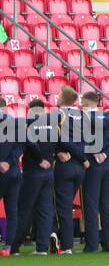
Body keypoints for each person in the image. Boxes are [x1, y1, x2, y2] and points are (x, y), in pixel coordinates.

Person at [7, 99, 58, 256]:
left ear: (30, 110)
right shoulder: (52, 125)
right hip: (49, 173)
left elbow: (29, 142)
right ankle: (42, 248)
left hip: (32, 173)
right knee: (45, 210)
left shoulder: (30, 125)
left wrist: (38, 159)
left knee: (24, 210)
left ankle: (14, 247)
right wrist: (50, 159)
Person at [78, 90, 109, 254]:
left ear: (86, 103)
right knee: (107, 205)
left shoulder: (82, 118)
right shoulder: (108, 117)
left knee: (91, 205)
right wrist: (105, 154)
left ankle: (92, 245)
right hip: (107, 163)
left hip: (91, 164)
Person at [52, 85, 88, 254]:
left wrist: (59, 151)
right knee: (65, 205)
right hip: (79, 168)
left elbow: (60, 139)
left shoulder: (58, 115)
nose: (57, 96)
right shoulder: (83, 115)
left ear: (63, 98)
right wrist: (83, 158)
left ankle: (66, 245)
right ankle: (59, 238)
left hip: (66, 165)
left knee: (64, 206)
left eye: (59, 94)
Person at [0, 107, 23, 255]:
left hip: (6, 172)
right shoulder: (14, 123)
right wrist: (9, 161)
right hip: (13, 171)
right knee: (12, 210)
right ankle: (11, 247)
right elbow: (21, 145)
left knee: (12, 210)